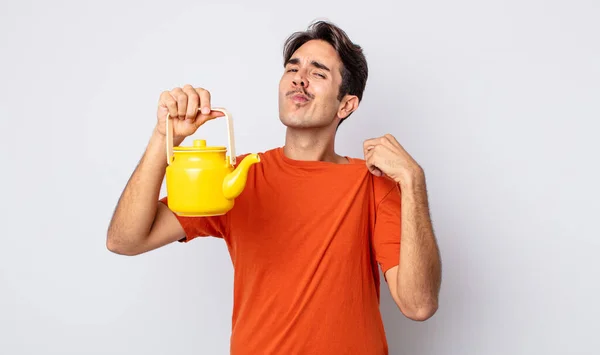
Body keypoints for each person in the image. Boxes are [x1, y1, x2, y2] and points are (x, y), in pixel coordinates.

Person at [107, 20, 442, 355]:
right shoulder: (237, 177)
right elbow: (125, 240)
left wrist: (413, 183)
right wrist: (162, 138)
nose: (299, 77)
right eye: (292, 68)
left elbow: (418, 305)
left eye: (319, 72)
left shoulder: (372, 185)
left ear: (346, 105)